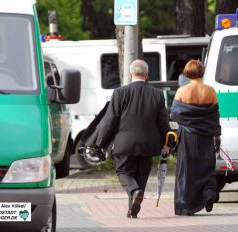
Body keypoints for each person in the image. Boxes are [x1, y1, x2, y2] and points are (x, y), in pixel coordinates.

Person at [95, 59, 171, 218]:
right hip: (148, 145)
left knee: (123, 171)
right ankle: (132, 209)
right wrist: (168, 143)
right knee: (141, 175)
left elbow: (110, 120)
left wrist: (100, 142)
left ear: (131, 74)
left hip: (125, 143)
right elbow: (163, 122)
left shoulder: (119, 93)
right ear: (147, 74)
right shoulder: (157, 94)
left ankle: (135, 193)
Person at [170, 59, 221, 216]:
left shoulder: (181, 91)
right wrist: (217, 135)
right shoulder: (210, 91)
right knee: (205, 169)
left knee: (187, 171)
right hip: (206, 136)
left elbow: (175, 115)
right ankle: (208, 194)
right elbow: (214, 115)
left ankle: (185, 205)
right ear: (202, 71)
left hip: (188, 136)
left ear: (187, 72)